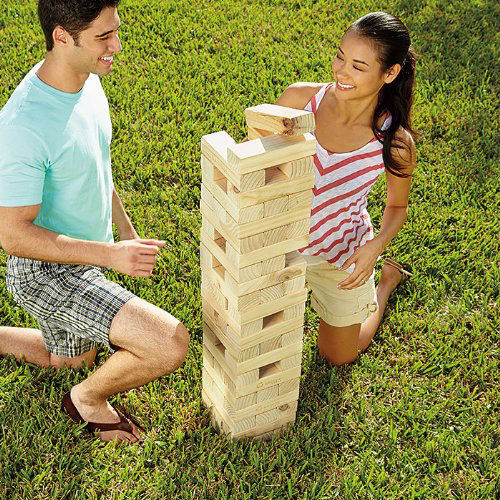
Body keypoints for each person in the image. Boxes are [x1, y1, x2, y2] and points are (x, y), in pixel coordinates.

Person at [0, 0, 189, 444]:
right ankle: (85, 400)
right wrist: (110, 255)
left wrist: (126, 230)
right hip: (45, 272)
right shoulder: (23, 125)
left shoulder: (85, 81)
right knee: (168, 342)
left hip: (87, 256)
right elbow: (12, 236)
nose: (116, 46)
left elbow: (95, 166)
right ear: (62, 36)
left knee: (68, 360)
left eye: (115, 31)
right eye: (103, 37)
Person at [275, 12, 417, 365]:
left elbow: (397, 207)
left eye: (358, 66)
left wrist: (375, 245)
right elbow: (252, 161)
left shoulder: (395, 142)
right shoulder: (298, 100)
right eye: (340, 57)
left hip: (341, 252)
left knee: (339, 357)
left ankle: (386, 283)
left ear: (390, 73)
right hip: (278, 244)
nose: (341, 72)